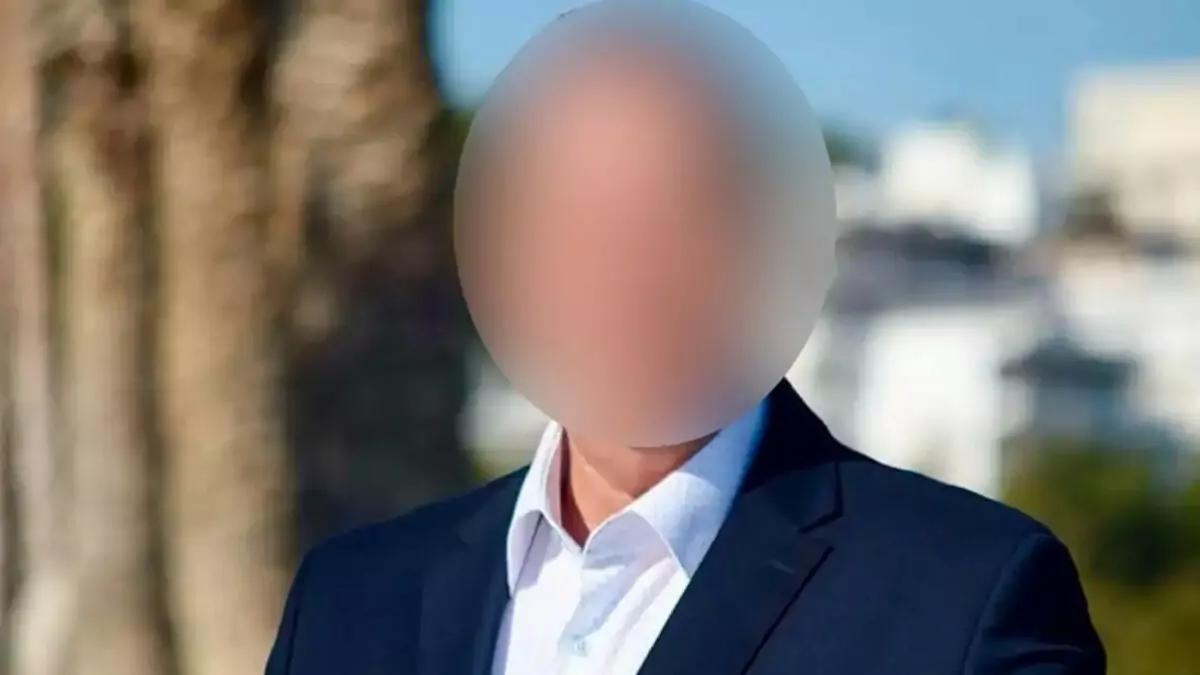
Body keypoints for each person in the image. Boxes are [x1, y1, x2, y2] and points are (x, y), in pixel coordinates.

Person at [264, 2, 1105, 674]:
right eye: (578, 218)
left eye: (679, 215)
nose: (626, 270)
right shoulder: (349, 603)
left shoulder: (964, 600)